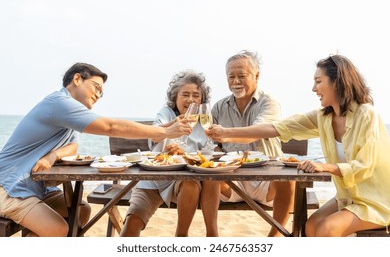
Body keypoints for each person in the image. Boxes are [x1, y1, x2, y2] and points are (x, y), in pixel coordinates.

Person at [207, 54, 390, 237]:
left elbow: (364, 166)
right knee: (310, 227)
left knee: (327, 229)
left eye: (318, 81)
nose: (313, 88)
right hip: (347, 197)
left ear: (337, 82)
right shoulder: (324, 117)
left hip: (374, 201)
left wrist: (324, 167)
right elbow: (279, 127)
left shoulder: (366, 114)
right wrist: (225, 133)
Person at [0, 63, 191, 237]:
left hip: (34, 188)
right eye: (97, 87)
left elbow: (72, 146)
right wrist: (164, 131)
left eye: (102, 93)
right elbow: (110, 127)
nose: (99, 96)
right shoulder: (59, 103)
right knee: (58, 230)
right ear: (77, 79)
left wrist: (53, 155)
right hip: (9, 186)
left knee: (82, 210)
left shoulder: (68, 116)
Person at [120, 70, 220, 237]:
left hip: (183, 184)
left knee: (190, 183)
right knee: (132, 223)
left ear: (202, 99)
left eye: (196, 95)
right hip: (154, 181)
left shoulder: (203, 121)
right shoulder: (166, 113)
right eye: (185, 94)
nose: (191, 100)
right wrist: (171, 128)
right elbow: (153, 132)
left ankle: (181, 236)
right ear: (175, 97)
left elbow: (209, 153)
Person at [211, 50, 295, 237]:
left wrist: (224, 135)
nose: (236, 81)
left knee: (288, 179)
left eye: (242, 75)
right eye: (231, 76)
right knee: (207, 176)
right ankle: (212, 237)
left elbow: (256, 133)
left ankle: (274, 238)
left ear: (257, 76)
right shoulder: (218, 106)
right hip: (231, 180)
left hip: (266, 180)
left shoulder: (269, 103)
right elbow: (210, 144)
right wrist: (215, 146)